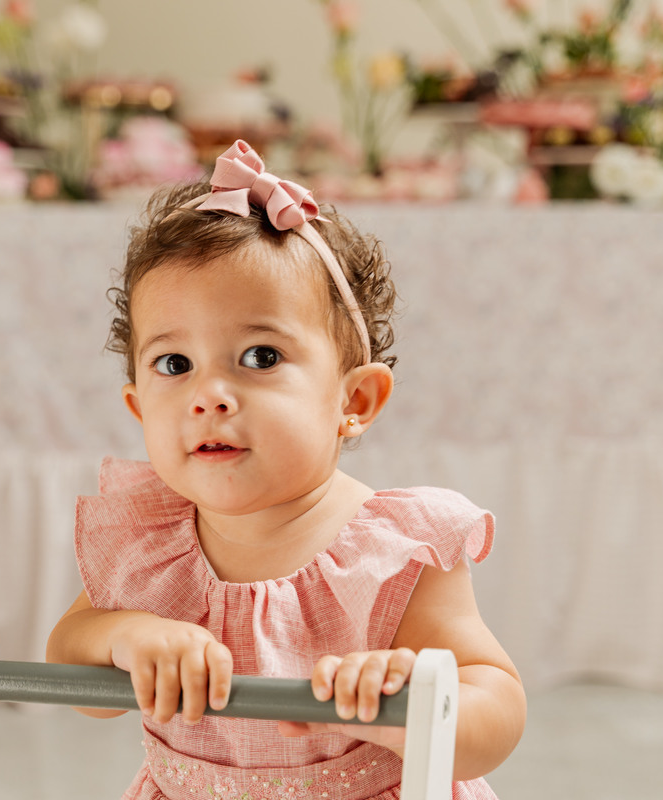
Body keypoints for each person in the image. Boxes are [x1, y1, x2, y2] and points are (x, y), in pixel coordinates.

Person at [46, 140, 525, 800]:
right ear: (136, 407)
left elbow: (497, 709)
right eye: (174, 365)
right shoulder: (150, 546)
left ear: (353, 401)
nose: (208, 395)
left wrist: (417, 702)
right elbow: (73, 663)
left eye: (261, 357)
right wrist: (125, 637)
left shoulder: (392, 554)